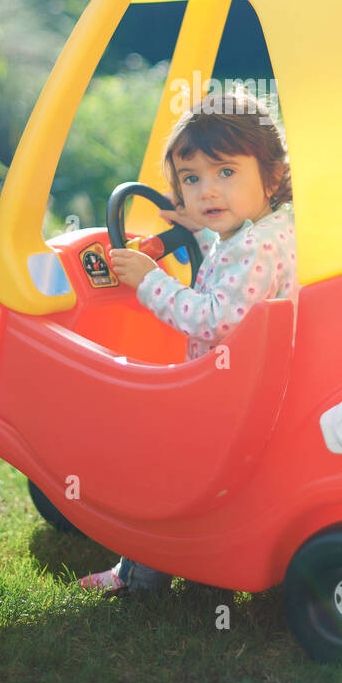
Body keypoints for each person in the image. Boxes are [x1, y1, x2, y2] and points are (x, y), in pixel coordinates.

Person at [79, 87, 297, 594]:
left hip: (229, 401)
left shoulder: (253, 247)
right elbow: (232, 267)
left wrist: (149, 281)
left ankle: (139, 572)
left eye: (225, 173)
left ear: (273, 175)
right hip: (257, 391)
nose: (207, 192)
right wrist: (197, 233)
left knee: (154, 451)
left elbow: (216, 319)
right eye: (192, 179)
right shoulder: (270, 229)